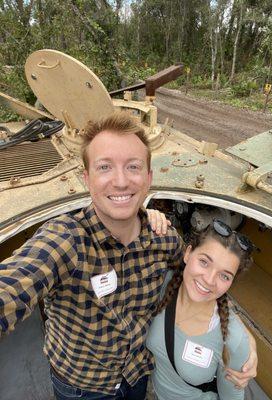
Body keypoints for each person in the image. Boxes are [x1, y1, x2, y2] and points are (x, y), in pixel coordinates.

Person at [0, 112, 256, 400]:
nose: (120, 182)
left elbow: (205, 280)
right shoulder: (65, 240)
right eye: (105, 167)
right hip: (82, 389)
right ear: (87, 178)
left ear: (148, 178)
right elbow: (13, 285)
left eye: (132, 167)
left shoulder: (165, 240)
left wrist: (242, 339)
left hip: (137, 376)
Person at [146, 219, 255, 400]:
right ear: (188, 253)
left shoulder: (233, 340)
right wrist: (148, 214)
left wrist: (247, 340)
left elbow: (232, 396)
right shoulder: (162, 283)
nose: (210, 280)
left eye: (224, 276)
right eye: (204, 262)